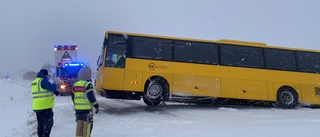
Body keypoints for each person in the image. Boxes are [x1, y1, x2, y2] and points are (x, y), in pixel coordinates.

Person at [31, 69, 60, 137]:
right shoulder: (43, 81)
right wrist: (55, 84)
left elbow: (43, 90)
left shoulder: (35, 82)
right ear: (45, 75)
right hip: (45, 107)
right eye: (47, 75)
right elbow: (51, 88)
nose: (48, 77)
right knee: (49, 123)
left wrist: (54, 92)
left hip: (37, 107)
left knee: (40, 124)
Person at [71, 67, 99, 137]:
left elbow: (73, 96)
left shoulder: (75, 84)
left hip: (78, 111)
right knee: (87, 128)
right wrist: (96, 106)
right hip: (87, 111)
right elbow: (91, 97)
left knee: (79, 127)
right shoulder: (87, 84)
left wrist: (76, 105)